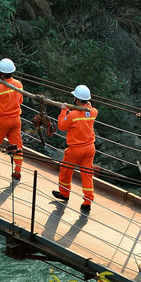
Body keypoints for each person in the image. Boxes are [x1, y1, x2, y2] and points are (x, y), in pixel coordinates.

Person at [52, 85, 98, 213]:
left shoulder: (72, 114)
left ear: (77, 100)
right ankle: (87, 201)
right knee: (87, 175)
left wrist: (63, 112)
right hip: (89, 148)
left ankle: (64, 194)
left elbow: (61, 126)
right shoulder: (92, 112)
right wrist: (88, 105)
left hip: (76, 149)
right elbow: (93, 109)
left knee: (66, 171)